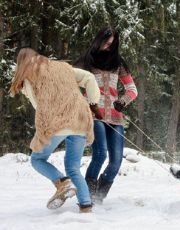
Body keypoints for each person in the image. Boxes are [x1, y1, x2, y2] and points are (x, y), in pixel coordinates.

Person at [10, 48, 101, 213]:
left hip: (57, 123)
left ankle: (62, 182)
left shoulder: (30, 75)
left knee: (37, 159)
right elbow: (89, 77)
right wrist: (93, 102)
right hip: (80, 121)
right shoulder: (63, 67)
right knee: (73, 167)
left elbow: (38, 105)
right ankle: (86, 206)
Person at [75, 27, 138, 203]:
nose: (108, 47)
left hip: (116, 117)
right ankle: (87, 195)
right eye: (106, 42)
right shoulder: (86, 62)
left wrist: (123, 101)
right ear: (99, 40)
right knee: (100, 153)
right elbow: (70, 84)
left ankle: (99, 196)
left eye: (112, 44)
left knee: (116, 162)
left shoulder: (118, 63)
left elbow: (132, 90)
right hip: (95, 115)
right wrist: (82, 102)